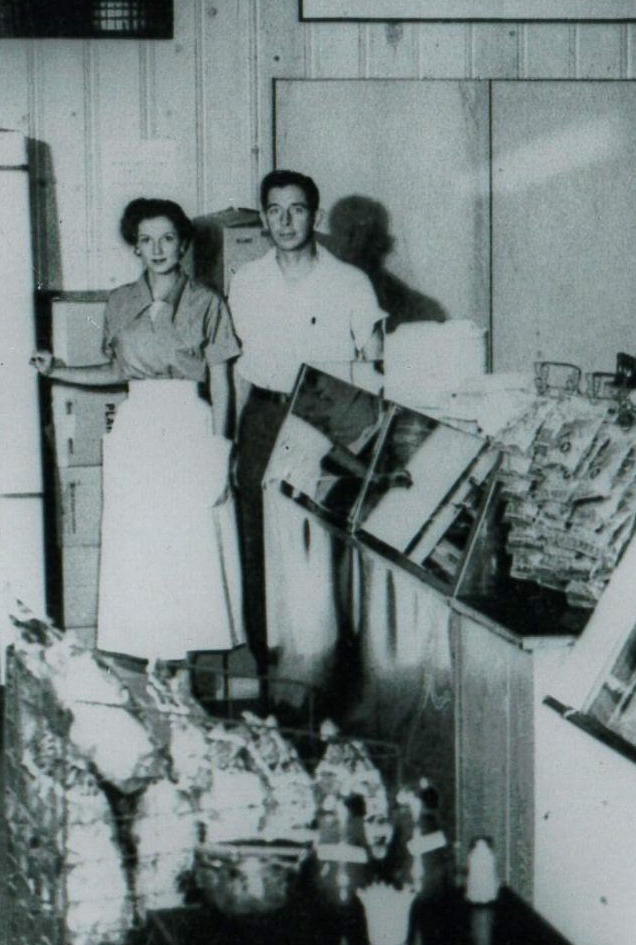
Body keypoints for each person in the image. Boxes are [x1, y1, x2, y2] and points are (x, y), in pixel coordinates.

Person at [33, 199, 243, 668]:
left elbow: (223, 382)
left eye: (167, 238)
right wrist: (59, 369)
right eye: (146, 240)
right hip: (137, 430)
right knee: (141, 550)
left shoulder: (207, 302)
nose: (157, 249)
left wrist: (220, 450)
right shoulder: (120, 301)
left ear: (184, 244)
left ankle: (183, 681)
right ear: (134, 247)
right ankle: (153, 674)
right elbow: (115, 370)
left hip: (189, 425)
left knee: (190, 553)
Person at [229, 169, 386, 664]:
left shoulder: (349, 282)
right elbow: (238, 368)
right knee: (258, 540)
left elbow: (376, 363)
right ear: (262, 218)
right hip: (264, 416)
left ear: (315, 216)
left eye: (296, 209)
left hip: (327, 423)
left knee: (323, 545)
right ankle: (269, 666)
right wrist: (234, 441)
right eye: (274, 210)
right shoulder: (246, 280)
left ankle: (329, 668)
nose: (285, 221)